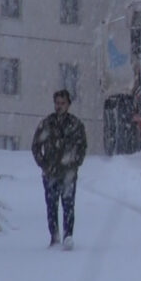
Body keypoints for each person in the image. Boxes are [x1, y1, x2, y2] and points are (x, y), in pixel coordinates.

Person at [31, 90, 87, 250]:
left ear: (68, 104)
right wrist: (44, 164)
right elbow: (35, 146)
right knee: (51, 205)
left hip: (68, 172)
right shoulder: (47, 124)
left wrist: (75, 163)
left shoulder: (75, 125)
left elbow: (82, 146)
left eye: (62, 103)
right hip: (51, 173)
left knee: (68, 205)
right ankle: (54, 237)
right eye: (57, 103)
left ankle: (68, 236)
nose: (59, 106)